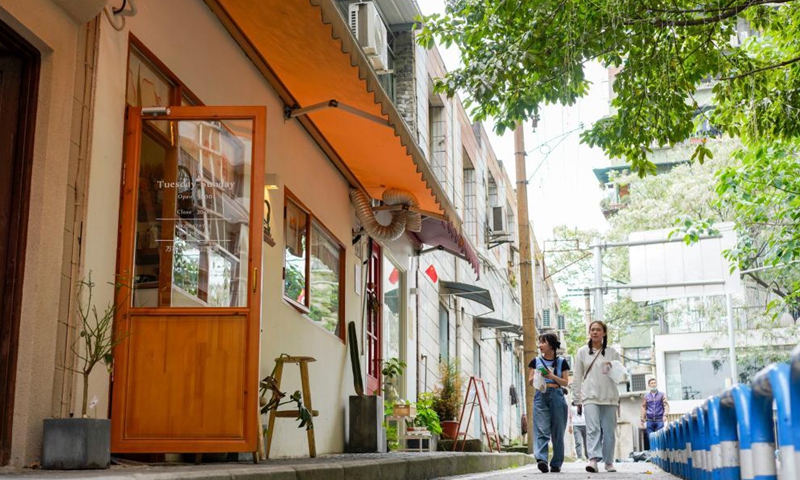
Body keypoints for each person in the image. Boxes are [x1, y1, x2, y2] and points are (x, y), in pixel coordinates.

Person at [572, 320, 622, 473]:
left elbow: (619, 376)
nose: (594, 332)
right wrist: (576, 399)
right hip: (590, 396)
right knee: (592, 429)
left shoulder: (613, 352)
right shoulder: (582, 352)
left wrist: (613, 368)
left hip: (609, 396)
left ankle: (608, 462)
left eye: (598, 330)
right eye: (592, 329)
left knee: (609, 431)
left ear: (604, 333)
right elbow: (577, 377)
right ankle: (593, 460)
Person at [527, 333, 570, 473]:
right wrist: (538, 375)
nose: (539, 345)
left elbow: (565, 382)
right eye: (539, 342)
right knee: (541, 428)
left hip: (557, 395)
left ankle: (556, 463)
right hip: (541, 395)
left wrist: (550, 375)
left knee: (558, 431)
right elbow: (530, 380)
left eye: (542, 342)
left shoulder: (562, 362)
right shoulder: (535, 361)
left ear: (551, 345)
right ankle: (542, 459)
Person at [640, 378, 669, 450]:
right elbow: (643, 408)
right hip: (649, 420)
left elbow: (666, 405)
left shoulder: (662, 395)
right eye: (652, 383)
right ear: (649, 385)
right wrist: (642, 420)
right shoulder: (646, 396)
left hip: (659, 419)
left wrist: (665, 415)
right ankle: (653, 453)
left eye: (654, 383)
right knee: (650, 438)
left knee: (660, 437)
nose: (653, 384)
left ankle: (660, 452)